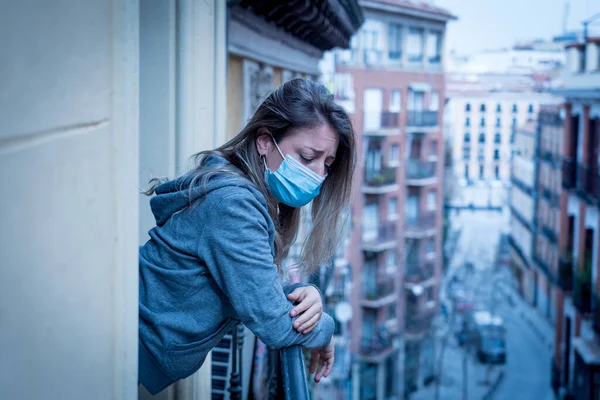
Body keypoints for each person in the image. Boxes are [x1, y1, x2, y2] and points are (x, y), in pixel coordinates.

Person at [138, 78, 356, 394]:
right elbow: (276, 326)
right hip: (122, 345)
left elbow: (251, 286)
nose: (319, 175)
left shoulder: (240, 193)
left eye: (328, 164)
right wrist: (325, 327)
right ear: (265, 141)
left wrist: (302, 294)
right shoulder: (235, 206)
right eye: (308, 157)